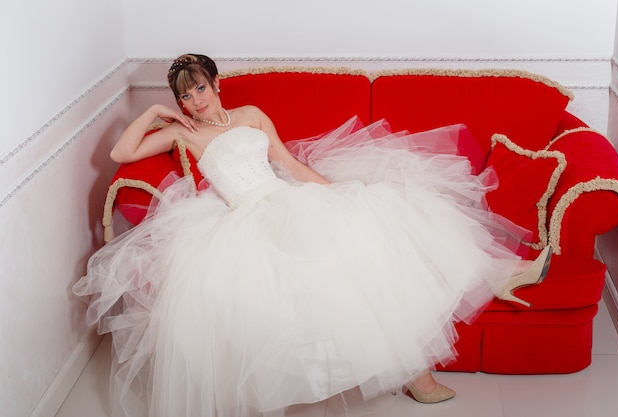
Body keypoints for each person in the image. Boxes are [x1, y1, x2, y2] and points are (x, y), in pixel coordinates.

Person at [73, 54, 551, 417]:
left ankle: (495, 275)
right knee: (329, 270)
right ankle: (415, 374)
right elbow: (121, 150)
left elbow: (287, 164)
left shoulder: (252, 115)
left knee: (384, 218)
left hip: (287, 198)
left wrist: (338, 191)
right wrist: (157, 110)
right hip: (241, 219)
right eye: (185, 96)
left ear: (217, 85)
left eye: (199, 89)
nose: (195, 102)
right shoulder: (185, 135)